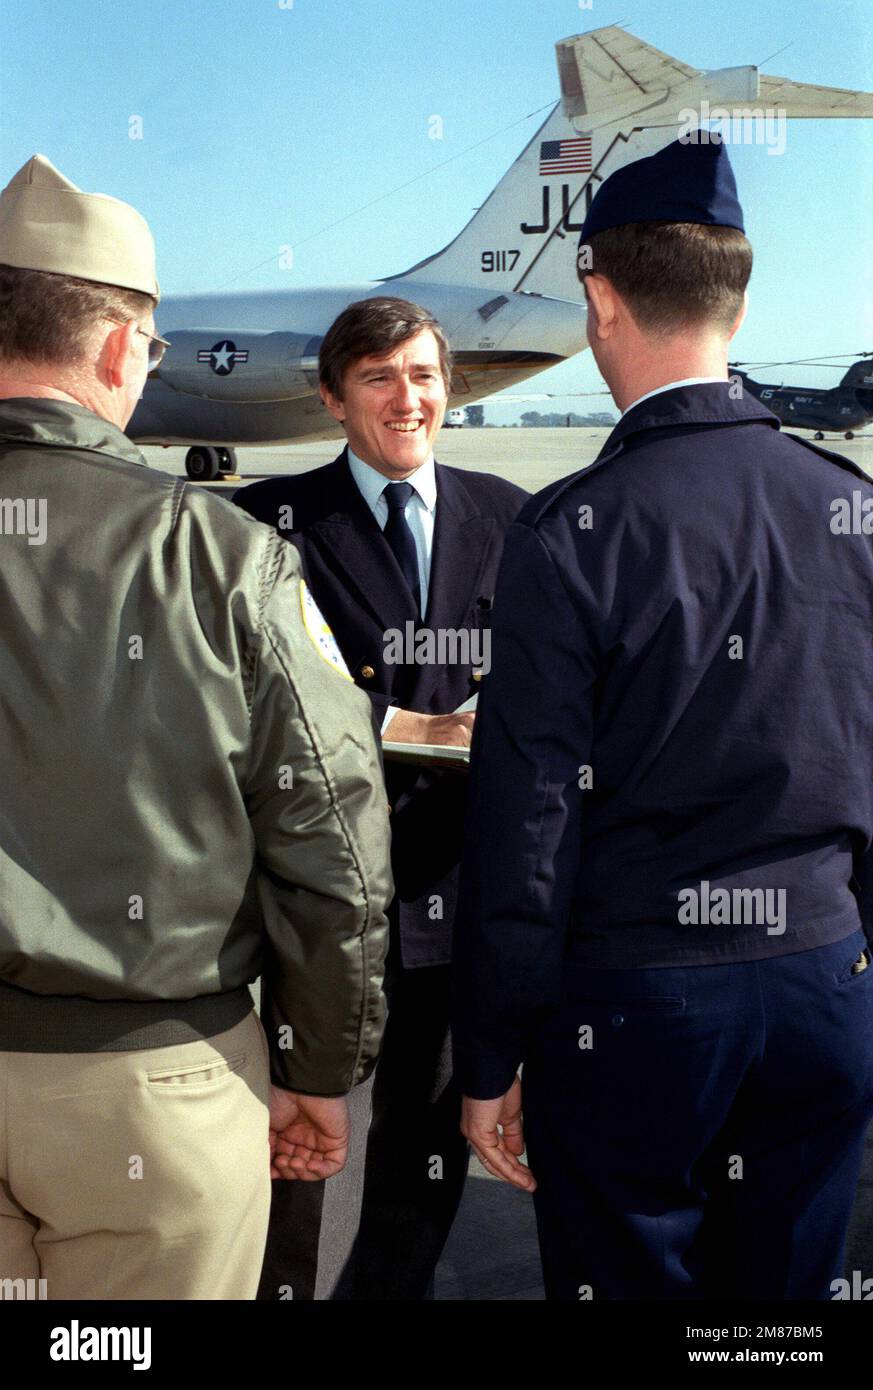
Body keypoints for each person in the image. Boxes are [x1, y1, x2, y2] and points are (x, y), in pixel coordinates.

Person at [451, 137, 873, 1301]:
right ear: (738, 301)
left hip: (639, 1006)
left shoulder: (571, 531)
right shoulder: (849, 506)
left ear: (599, 298)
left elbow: (527, 831)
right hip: (825, 979)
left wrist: (488, 1055)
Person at [0, 154, 392, 1300]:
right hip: (151, 1096)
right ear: (124, 348)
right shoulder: (222, 556)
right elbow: (332, 838)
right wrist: (321, 1067)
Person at [235, 295, 527, 1299]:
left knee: (424, 1148)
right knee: (297, 1141)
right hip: (313, 896)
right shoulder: (264, 523)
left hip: (452, 886)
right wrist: (406, 728)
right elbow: (250, 698)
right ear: (332, 396)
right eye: (379, 378)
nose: (409, 398)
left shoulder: (511, 514)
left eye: (425, 376)